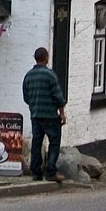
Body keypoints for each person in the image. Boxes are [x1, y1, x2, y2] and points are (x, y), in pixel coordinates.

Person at [22, 46, 67, 183]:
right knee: (54, 142)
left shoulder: (28, 76)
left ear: (36, 58)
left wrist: (34, 107)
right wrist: (62, 113)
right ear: (46, 58)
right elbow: (58, 97)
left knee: (36, 143)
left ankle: (36, 172)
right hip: (50, 116)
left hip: (35, 115)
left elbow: (26, 97)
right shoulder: (50, 75)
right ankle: (51, 171)